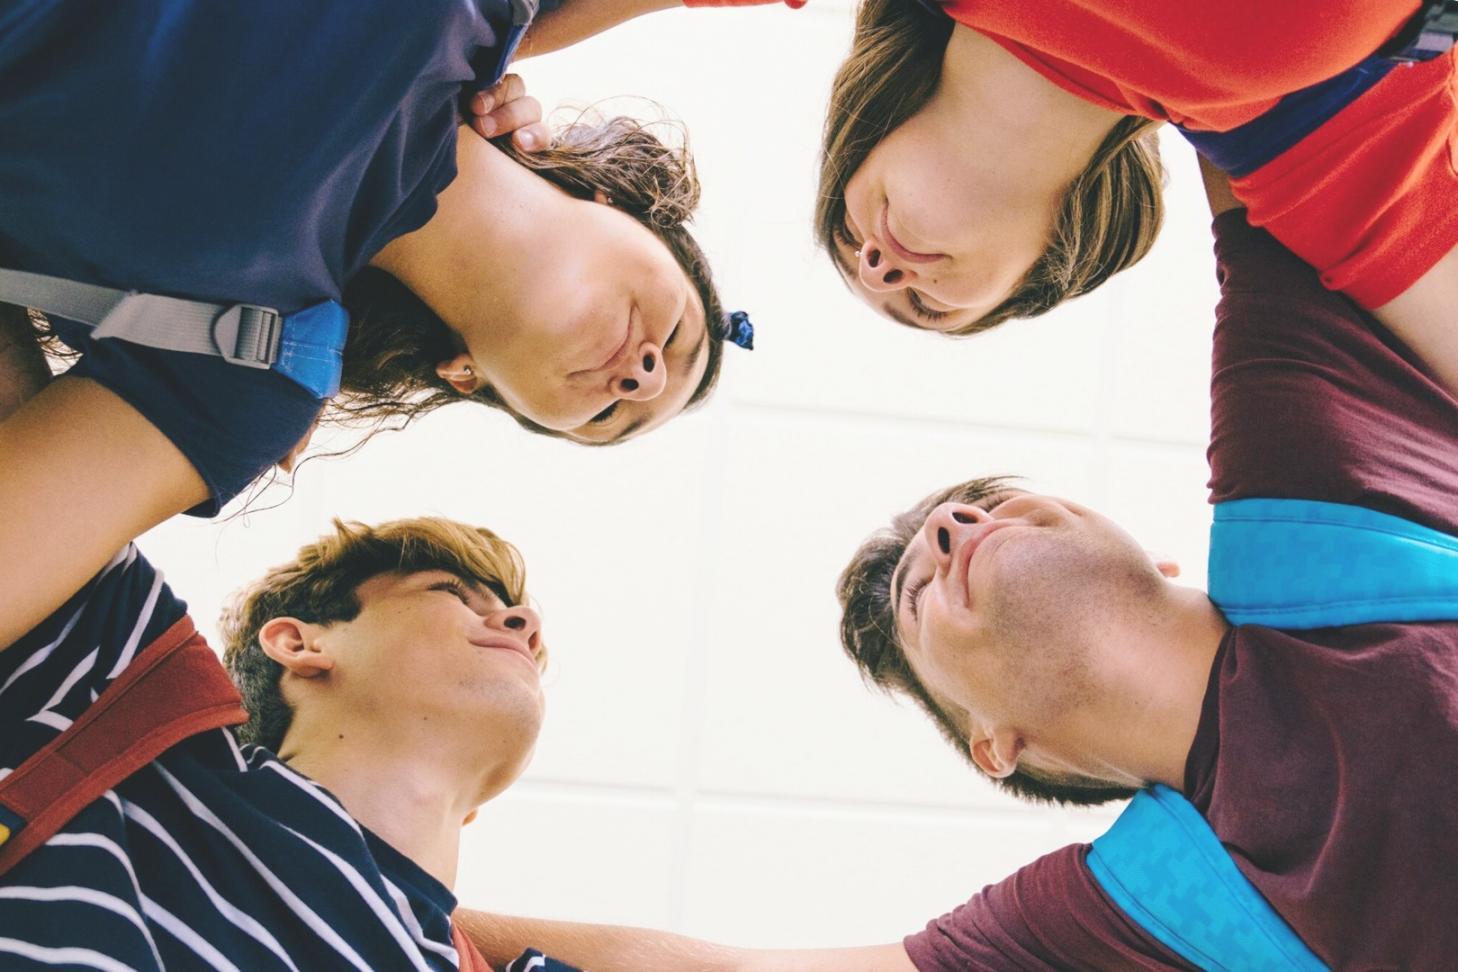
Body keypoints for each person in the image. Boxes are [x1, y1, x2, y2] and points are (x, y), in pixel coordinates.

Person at [439, 173, 1458, 970]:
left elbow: (1266, 146)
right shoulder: (1144, 913)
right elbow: (743, 968)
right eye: (918, 591)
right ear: (992, 745)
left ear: (1152, 551)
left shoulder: (1323, 509)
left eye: (991, 500)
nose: (955, 526)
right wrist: (369, 889)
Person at [0, 0, 744, 652]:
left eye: (610, 413)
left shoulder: (252, 370)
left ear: (470, 377)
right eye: (675, 335)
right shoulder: (477, 16)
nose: (641, 373)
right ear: (621, 202)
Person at [0, 485, 581, 969]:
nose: (525, 622)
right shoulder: (138, 717)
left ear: (478, 804)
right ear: (299, 642)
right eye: (451, 593)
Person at [815, 0, 1458, 402]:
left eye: (846, 234)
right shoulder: (1283, 133)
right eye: (926, 307)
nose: (879, 267)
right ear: (1051, 266)